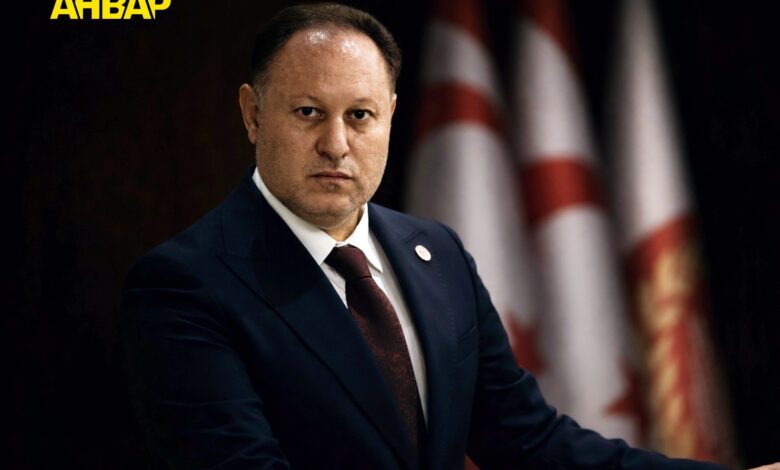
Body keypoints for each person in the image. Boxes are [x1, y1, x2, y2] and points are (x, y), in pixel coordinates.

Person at [121, 3, 775, 469]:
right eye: (308, 112)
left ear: (391, 116)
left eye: (361, 115)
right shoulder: (184, 285)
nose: (336, 144)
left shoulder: (436, 254)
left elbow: (530, 444)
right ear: (253, 114)